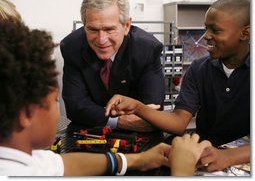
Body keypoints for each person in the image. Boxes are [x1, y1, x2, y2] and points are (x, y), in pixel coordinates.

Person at [0, 18, 213, 176]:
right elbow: (77, 107)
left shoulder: (28, 161)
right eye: (55, 101)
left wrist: (138, 159)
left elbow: (64, 165)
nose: (59, 113)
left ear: (126, 26)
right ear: (26, 114)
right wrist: (182, 168)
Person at [105, 0, 250, 172]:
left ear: (245, 33)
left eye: (216, 30)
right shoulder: (199, 69)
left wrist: (228, 157)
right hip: (205, 154)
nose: (206, 37)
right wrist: (137, 107)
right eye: (206, 29)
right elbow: (179, 121)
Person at [60, 0, 165, 132]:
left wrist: (96, 112)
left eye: (109, 29)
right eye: (93, 29)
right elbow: (75, 107)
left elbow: (153, 108)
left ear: (126, 26)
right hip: (91, 132)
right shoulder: (72, 47)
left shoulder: (147, 48)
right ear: (84, 26)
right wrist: (119, 120)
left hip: (138, 134)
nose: (101, 40)